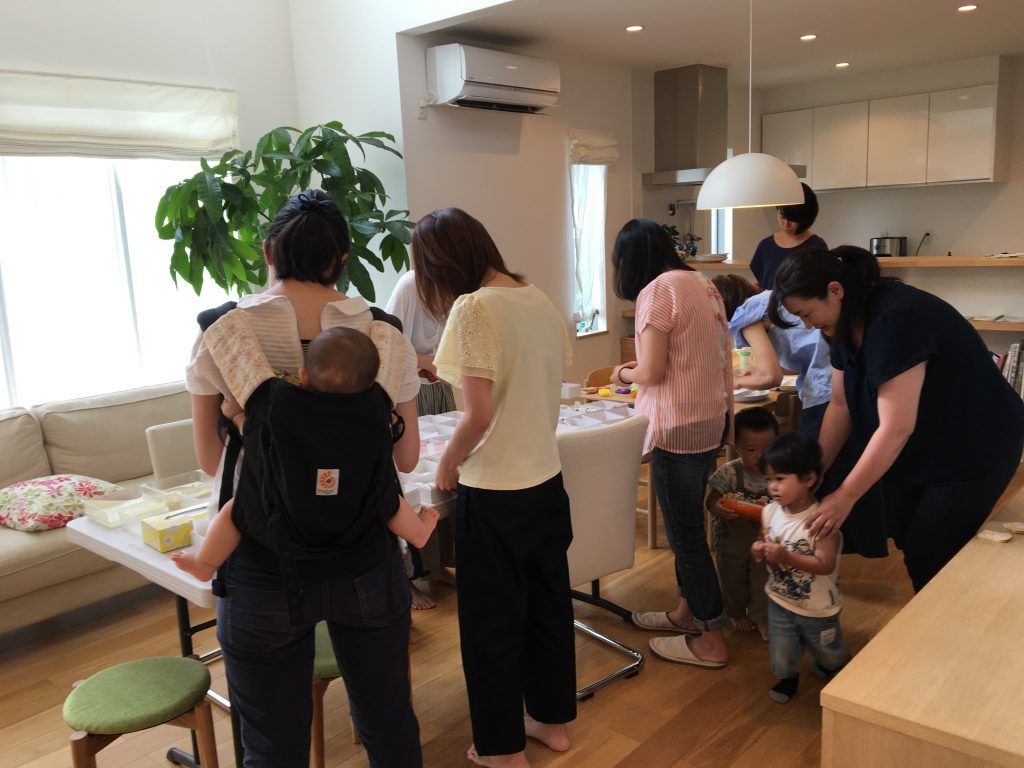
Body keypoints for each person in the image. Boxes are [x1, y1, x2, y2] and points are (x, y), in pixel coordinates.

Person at [186, 189, 424, 767]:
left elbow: (211, 461)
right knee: (388, 723)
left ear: (269, 252)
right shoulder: (385, 334)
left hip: (262, 560)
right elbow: (407, 457)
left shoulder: (223, 331)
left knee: (273, 747)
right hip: (365, 555)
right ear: (341, 257)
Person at [413, 207, 575, 768]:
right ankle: (551, 722)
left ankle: (501, 749)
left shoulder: (474, 308)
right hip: (546, 482)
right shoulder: (537, 298)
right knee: (546, 608)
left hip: (497, 493)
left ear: (441, 265)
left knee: (491, 624)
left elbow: (478, 414)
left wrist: (448, 462)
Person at [770, 246, 1024, 590]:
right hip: (929, 442)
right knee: (911, 537)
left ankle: (954, 618)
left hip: (975, 444)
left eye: (806, 313)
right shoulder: (841, 324)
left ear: (835, 290)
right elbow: (841, 406)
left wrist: (845, 495)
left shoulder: (895, 320)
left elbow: (896, 426)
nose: (808, 325)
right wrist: (814, 473)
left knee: (932, 549)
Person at [173, 327, 440, 583]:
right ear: (371, 385)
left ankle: (205, 563)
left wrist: (236, 416)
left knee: (236, 509)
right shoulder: (372, 414)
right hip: (353, 503)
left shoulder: (286, 409)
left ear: (303, 377)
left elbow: (258, 439)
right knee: (387, 500)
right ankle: (418, 534)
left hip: (290, 504)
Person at [609, 219, 734, 669]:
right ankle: (687, 612)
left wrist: (621, 372)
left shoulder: (657, 291)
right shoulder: (703, 284)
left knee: (686, 536)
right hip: (709, 419)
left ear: (629, 259)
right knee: (690, 526)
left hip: (676, 426)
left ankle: (712, 637)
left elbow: (651, 372)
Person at [751, 432, 851, 704]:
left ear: (808, 479)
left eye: (780, 479)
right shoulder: (770, 511)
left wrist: (786, 556)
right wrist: (758, 549)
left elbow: (825, 564)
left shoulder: (820, 520)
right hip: (780, 599)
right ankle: (787, 678)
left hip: (818, 607)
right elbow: (765, 538)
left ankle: (833, 666)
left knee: (827, 650)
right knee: (781, 650)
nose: (772, 487)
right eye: (768, 479)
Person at [385, 268, 457, 609]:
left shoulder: (460, 290)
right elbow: (388, 342)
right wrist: (428, 361)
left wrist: (438, 366)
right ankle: (410, 578)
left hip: (438, 387)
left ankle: (438, 565)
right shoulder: (411, 286)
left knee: (443, 477)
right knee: (411, 479)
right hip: (409, 392)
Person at [714, 273, 832, 436]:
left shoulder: (746, 315)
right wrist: (757, 372)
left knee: (815, 447)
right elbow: (803, 353)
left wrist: (733, 381)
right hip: (840, 376)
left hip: (825, 387)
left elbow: (771, 378)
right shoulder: (769, 301)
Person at [705, 407, 777, 640]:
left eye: (767, 449)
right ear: (737, 447)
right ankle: (735, 612)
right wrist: (718, 507)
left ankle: (761, 617)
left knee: (763, 579)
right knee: (732, 579)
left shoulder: (778, 474)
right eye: (751, 450)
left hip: (765, 539)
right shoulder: (730, 472)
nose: (759, 456)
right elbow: (711, 501)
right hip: (732, 539)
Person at [749, 182, 827, 290]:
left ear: (806, 217)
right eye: (782, 216)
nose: (786, 224)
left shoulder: (816, 246)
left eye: (792, 219)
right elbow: (762, 282)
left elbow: (820, 287)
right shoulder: (765, 246)